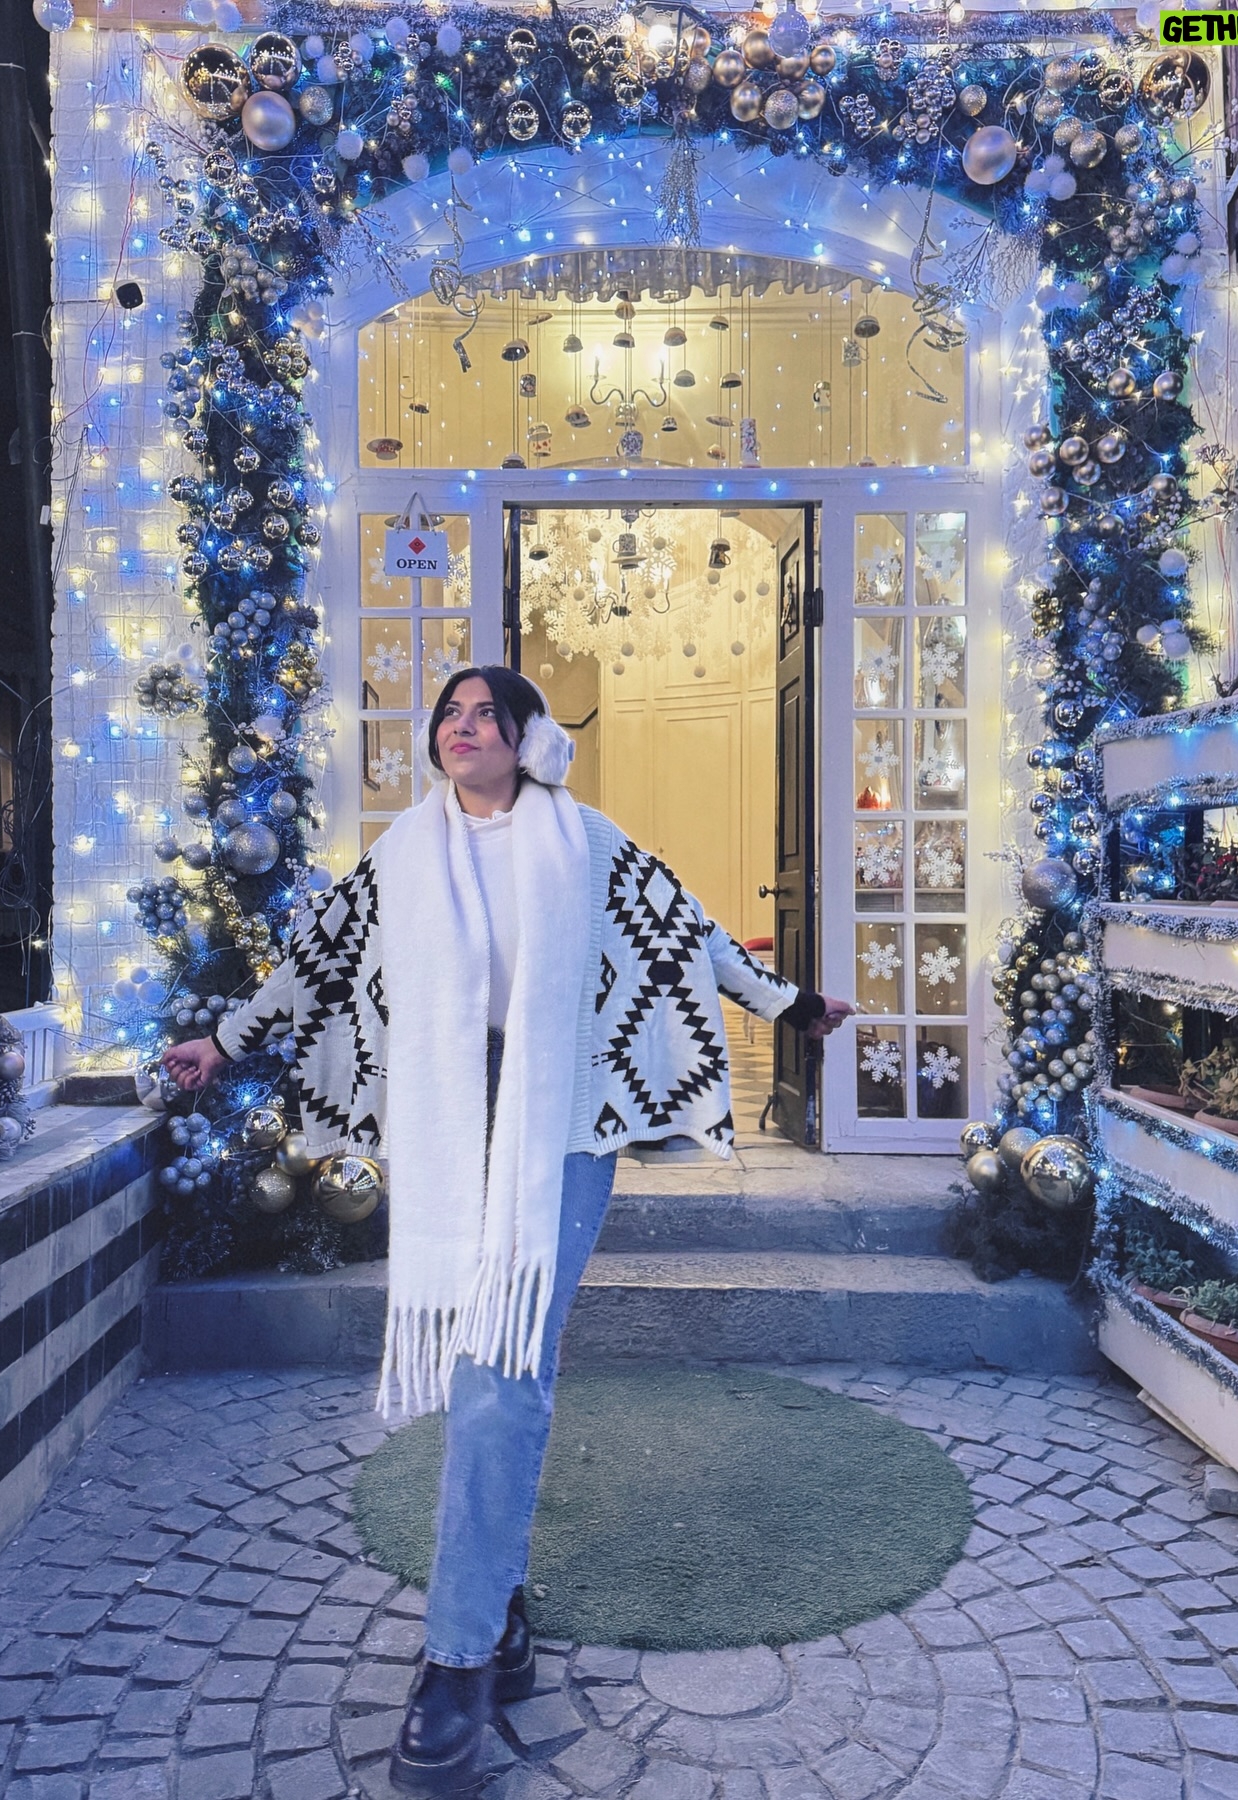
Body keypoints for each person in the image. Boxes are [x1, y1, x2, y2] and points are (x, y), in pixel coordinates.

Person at [163, 666, 853, 1795]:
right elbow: (317, 959)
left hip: (556, 1121)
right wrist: (226, 1041)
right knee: (494, 1373)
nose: (463, 727)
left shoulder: (586, 841)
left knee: (501, 1364)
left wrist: (793, 1006)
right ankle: (496, 1608)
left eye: (487, 713)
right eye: (451, 712)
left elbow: (690, 932)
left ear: (527, 736)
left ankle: (455, 1663)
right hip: (449, 1115)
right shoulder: (403, 852)